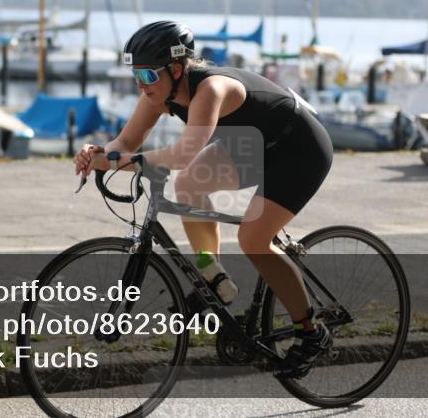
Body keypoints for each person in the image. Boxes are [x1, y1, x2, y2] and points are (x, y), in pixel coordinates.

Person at [74, 21, 335, 377]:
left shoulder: (210, 89)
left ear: (176, 69)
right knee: (190, 185)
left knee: (253, 239)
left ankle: (311, 333)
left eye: (148, 76)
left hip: (298, 148)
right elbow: (125, 144)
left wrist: (128, 163)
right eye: (136, 76)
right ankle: (216, 280)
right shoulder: (158, 95)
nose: (141, 85)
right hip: (251, 146)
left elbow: (184, 152)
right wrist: (98, 154)